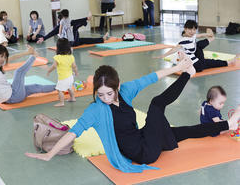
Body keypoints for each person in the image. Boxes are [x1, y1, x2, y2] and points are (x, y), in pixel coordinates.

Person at [25, 53, 240, 173]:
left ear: (117, 86)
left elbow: (152, 77)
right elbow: (73, 133)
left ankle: (227, 125)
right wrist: (50, 154)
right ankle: (189, 74)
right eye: (100, 94)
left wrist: (175, 67)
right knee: (156, 105)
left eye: (109, 93)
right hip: (141, 152)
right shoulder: (96, 110)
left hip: (143, 138)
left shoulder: (126, 91)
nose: (106, 98)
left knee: (183, 132)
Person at [154, 20, 240, 72]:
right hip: (196, 66)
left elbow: (198, 35)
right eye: (190, 29)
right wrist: (163, 55)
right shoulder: (182, 41)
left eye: (194, 29)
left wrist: (207, 34)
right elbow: (174, 49)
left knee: (210, 61)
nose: (192, 31)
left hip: (197, 61)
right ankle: (212, 39)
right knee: (200, 47)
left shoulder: (192, 36)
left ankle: (229, 62)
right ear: (185, 28)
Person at [38, 10, 109, 47]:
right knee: (76, 27)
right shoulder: (61, 25)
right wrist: (44, 38)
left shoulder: (67, 22)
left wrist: (44, 38)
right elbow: (52, 32)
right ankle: (101, 38)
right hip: (71, 43)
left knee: (84, 39)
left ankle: (102, 39)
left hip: (72, 42)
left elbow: (76, 21)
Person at [47, 38, 78, 107]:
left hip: (63, 78)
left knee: (59, 90)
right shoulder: (71, 56)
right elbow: (74, 66)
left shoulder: (57, 57)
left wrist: (49, 71)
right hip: (70, 77)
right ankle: (73, 98)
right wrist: (76, 73)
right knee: (69, 87)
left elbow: (54, 66)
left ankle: (61, 102)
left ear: (58, 48)